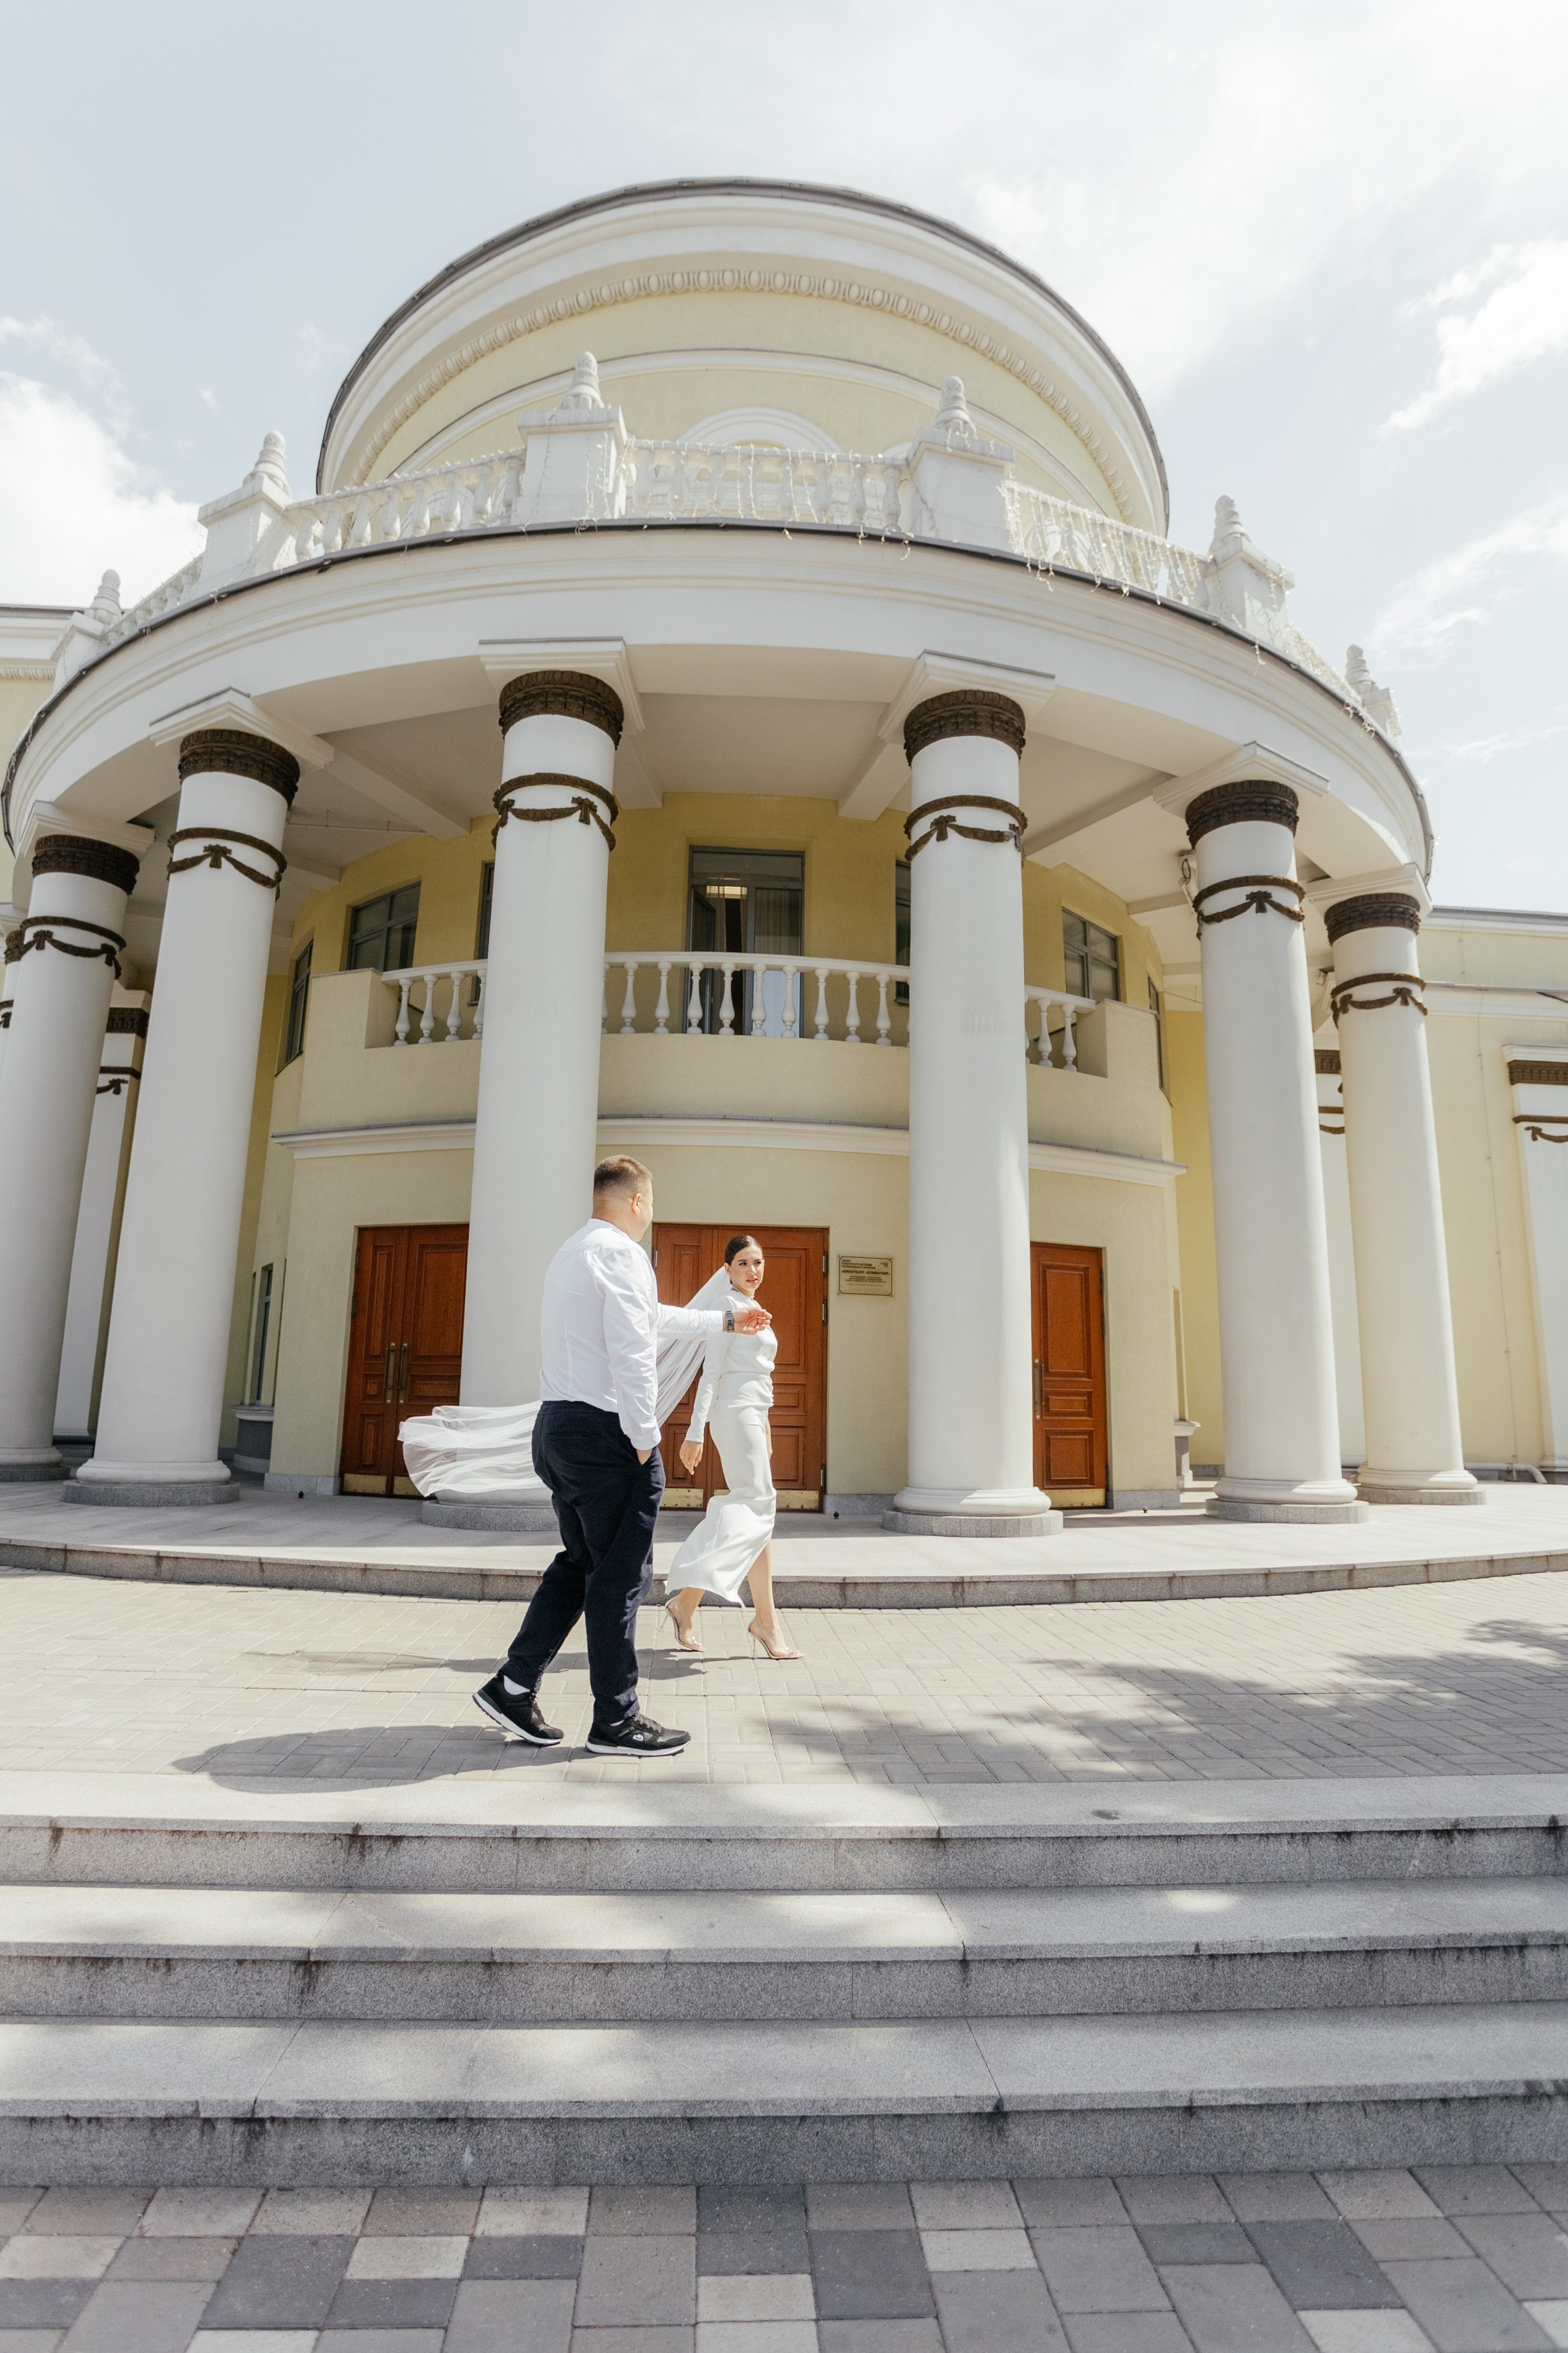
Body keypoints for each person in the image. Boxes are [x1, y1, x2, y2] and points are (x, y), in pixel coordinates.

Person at [471, 1157, 771, 1756]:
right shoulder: (623, 1254)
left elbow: (647, 1318)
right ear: (635, 1200)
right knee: (620, 1576)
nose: (651, 1212)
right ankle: (616, 1719)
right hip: (605, 1434)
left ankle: (512, 1685)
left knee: (581, 1563)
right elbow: (633, 1352)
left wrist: (723, 1318)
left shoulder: (574, 1251)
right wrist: (643, 1437)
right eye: (651, 1202)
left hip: (558, 1427)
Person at [664, 1234, 800, 1661]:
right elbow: (712, 1373)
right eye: (742, 1263)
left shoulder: (754, 1307)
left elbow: (761, 1376)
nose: (752, 1270)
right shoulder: (727, 1307)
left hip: (753, 1414)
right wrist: (695, 1431)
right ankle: (762, 1622)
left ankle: (692, 1604)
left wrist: (767, 1426)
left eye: (757, 1262)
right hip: (733, 1411)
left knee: (759, 1513)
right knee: (757, 1504)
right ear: (727, 1269)